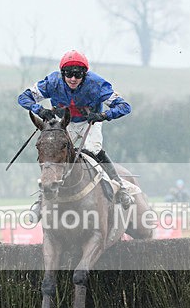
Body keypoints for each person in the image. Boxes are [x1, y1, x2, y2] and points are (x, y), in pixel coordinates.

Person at [17, 50, 133, 222]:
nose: (73, 79)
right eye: (69, 74)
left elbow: (125, 107)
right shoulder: (52, 82)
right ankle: (41, 201)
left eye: (78, 75)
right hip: (65, 123)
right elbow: (23, 97)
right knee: (55, 151)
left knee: (92, 150)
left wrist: (103, 116)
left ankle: (120, 187)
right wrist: (39, 110)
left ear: (84, 75)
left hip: (90, 122)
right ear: (62, 74)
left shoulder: (97, 84)